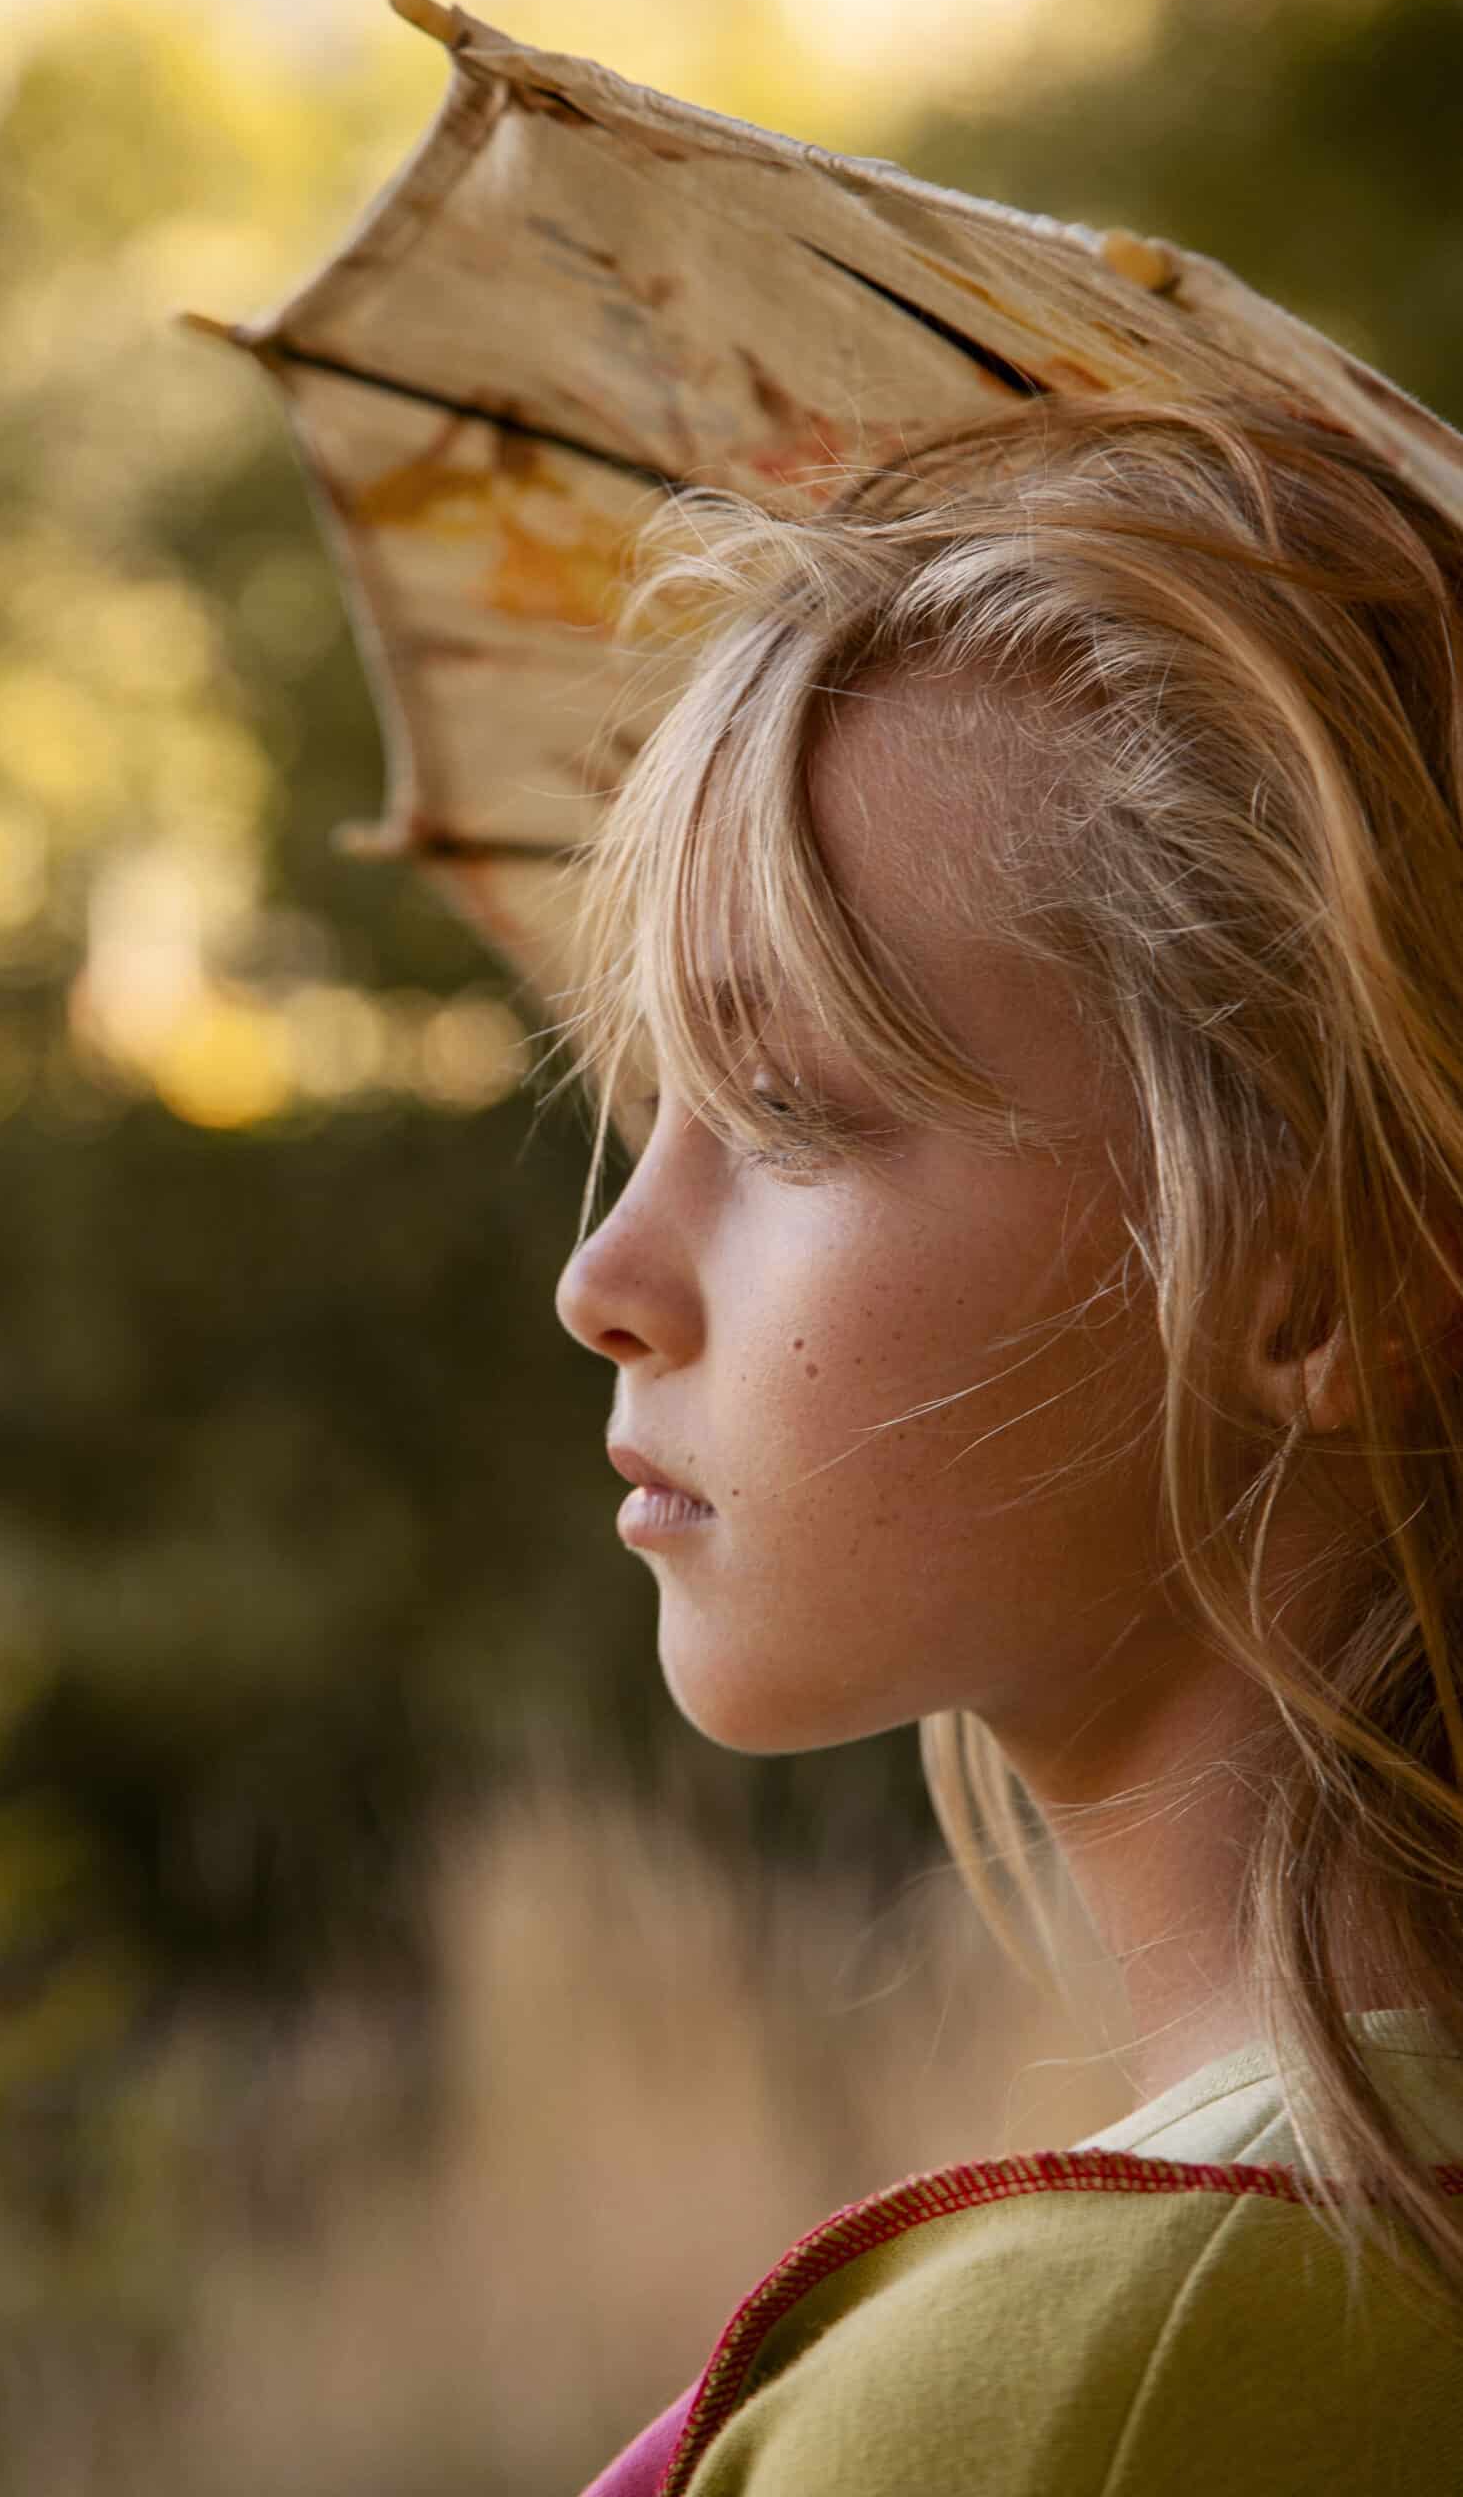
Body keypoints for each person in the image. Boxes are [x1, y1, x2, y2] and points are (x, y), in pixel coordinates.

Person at [552, 392, 1463, 2493]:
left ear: (1305, 1280)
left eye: (784, 1110)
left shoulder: (1098, 2382)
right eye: (650, 1103)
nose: (603, 1271)